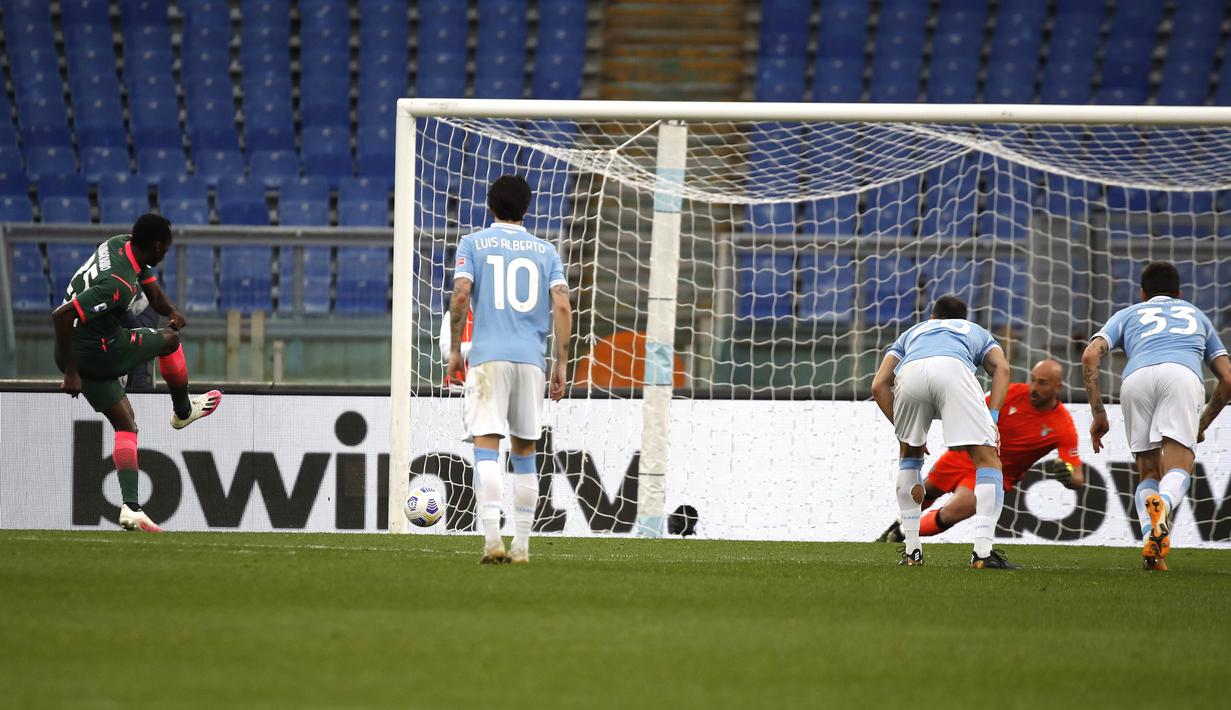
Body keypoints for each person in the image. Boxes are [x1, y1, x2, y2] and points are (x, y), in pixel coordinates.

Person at [52, 214, 222, 532]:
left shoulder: (122, 245)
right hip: (96, 351)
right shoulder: (116, 285)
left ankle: (131, 508)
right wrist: (72, 374)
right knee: (170, 341)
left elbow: (153, 295)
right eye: (165, 249)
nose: (165, 254)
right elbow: (61, 316)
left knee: (126, 424)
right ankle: (183, 411)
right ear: (156, 246)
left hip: (71, 352)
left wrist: (171, 311)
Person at [446, 175, 571, 564]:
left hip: (488, 359)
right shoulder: (546, 251)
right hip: (531, 361)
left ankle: (491, 542)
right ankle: (522, 547)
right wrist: (562, 362)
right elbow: (562, 305)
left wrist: (455, 351)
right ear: (527, 208)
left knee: (486, 446)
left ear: (490, 205)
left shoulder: (473, 243)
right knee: (525, 453)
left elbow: (461, 296)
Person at [1082, 261, 1231, 571]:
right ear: (1179, 293)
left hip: (1135, 379)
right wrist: (1202, 423)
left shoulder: (1128, 314)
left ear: (1142, 293)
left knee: (1148, 472)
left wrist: (1098, 413)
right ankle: (1164, 503)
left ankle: (1153, 550)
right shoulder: (1196, 315)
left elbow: (1090, 355)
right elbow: (1228, 379)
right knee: (1178, 467)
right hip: (1181, 375)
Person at [870, 294, 1014, 568]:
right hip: (953, 370)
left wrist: (902, 430)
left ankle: (912, 552)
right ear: (963, 319)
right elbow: (1002, 368)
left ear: (933, 317)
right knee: (988, 460)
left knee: (909, 459)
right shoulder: (974, 330)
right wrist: (992, 417)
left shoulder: (913, 332)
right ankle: (983, 554)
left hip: (910, 373)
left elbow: (878, 385)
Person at [877, 359, 1085, 543]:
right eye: (1032, 380)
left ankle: (899, 535)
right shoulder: (1011, 393)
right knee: (924, 493)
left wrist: (1068, 477)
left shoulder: (1063, 426)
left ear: (1058, 387)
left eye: (1042, 383)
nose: (1034, 388)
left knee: (951, 513)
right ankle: (894, 528)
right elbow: (972, 410)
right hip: (963, 456)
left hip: (992, 474)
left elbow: (1078, 477)